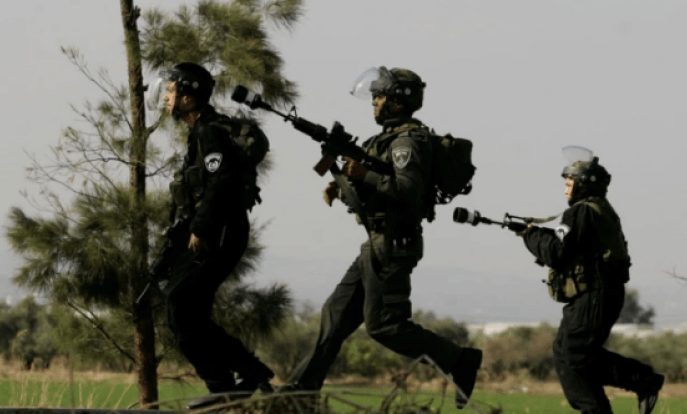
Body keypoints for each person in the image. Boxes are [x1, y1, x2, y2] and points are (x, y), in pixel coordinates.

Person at [286, 66, 482, 408]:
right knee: (334, 314)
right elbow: (375, 186)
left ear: (397, 101)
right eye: (374, 95)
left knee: (384, 326)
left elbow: (406, 189)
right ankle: (301, 392)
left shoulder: (408, 141)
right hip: (376, 243)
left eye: (380, 96)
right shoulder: (383, 140)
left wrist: (363, 174)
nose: (374, 102)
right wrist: (344, 184)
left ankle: (460, 360)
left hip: (394, 244)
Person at [148, 62, 275, 406]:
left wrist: (201, 228)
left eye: (172, 92)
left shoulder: (208, 131)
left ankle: (228, 382)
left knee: (179, 304)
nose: (166, 98)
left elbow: (224, 179)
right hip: (213, 232)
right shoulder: (201, 132)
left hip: (217, 233)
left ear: (189, 97)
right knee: (186, 313)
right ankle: (238, 377)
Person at [516, 146, 664, 414]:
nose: (565, 187)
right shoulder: (597, 210)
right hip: (596, 295)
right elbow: (571, 246)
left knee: (574, 356)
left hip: (593, 296)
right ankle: (632, 386)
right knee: (566, 353)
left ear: (584, 185)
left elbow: (556, 252)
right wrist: (536, 233)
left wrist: (530, 236)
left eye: (570, 181)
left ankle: (642, 381)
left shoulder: (581, 212)